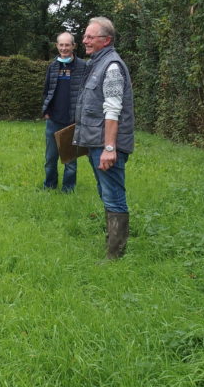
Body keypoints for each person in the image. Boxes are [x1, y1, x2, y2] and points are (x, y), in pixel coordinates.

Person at [74, 17, 135, 259]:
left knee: (114, 197)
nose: (85, 41)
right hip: (96, 143)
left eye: (91, 37)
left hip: (106, 145)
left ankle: (115, 255)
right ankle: (112, 244)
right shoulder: (97, 64)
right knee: (106, 193)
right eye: (85, 36)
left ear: (106, 40)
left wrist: (110, 147)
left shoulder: (111, 67)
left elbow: (113, 109)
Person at [42, 32, 87, 192]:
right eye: (61, 45)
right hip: (53, 119)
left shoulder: (83, 66)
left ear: (74, 46)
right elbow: (46, 90)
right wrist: (46, 111)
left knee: (70, 159)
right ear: (57, 46)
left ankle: (68, 189)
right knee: (50, 158)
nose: (64, 48)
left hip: (72, 120)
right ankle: (49, 186)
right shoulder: (53, 66)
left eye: (67, 45)